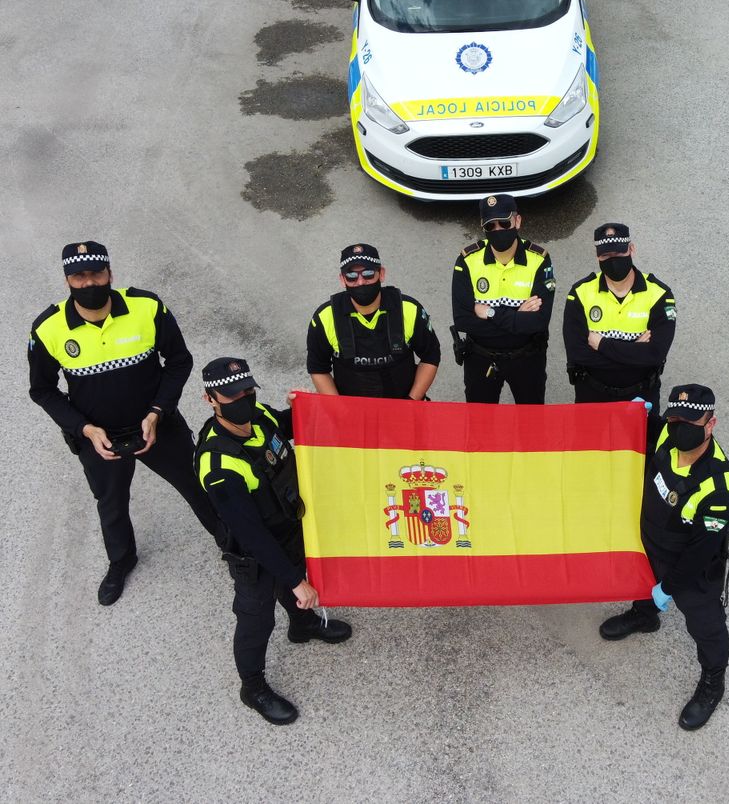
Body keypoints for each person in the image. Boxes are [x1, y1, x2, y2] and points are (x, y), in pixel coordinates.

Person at [28, 241, 225, 605]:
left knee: (198, 484)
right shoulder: (48, 328)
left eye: (96, 274)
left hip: (158, 425)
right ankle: (121, 560)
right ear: (67, 280)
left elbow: (179, 361)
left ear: (110, 273)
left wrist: (157, 411)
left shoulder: (146, 307)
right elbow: (42, 390)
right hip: (99, 438)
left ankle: (232, 543)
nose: (89, 283)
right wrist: (84, 429)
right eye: (79, 277)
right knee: (111, 504)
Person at [194, 357, 352, 724]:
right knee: (257, 619)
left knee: (294, 577)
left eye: (247, 391)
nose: (243, 400)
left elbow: (285, 425)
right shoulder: (219, 466)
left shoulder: (259, 415)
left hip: (288, 525)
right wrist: (296, 582)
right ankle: (253, 688)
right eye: (232, 395)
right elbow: (251, 535)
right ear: (210, 400)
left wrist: (302, 407)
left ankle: (302, 625)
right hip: (255, 552)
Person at [598, 384, 729, 731]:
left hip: (692, 568)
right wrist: (640, 416)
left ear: (710, 424)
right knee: (644, 585)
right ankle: (644, 616)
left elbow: (699, 553)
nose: (679, 428)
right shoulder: (667, 435)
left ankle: (713, 681)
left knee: (706, 625)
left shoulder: (720, 488)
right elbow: (653, 431)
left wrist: (669, 587)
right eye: (675, 419)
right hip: (650, 544)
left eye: (690, 422)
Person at [449, 194, 556, 404]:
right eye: (490, 226)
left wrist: (489, 313)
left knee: (530, 419)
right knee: (480, 421)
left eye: (504, 223)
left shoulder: (539, 260)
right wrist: (518, 318)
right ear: (483, 227)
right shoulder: (467, 260)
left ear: (517, 221)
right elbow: (463, 320)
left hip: (527, 359)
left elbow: (539, 321)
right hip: (480, 359)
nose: (498, 230)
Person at [562, 223, 676, 409]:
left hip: (640, 397)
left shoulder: (659, 294)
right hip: (591, 395)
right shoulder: (580, 293)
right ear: (597, 255)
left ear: (631, 249)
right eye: (606, 255)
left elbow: (655, 354)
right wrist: (634, 351)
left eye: (618, 253)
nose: (613, 260)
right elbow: (578, 354)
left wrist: (601, 345)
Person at [307, 243, 442, 400]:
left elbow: (431, 355)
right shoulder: (324, 318)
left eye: (368, 273)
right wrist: (339, 409)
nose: (360, 282)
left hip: (405, 406)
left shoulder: (410, 309)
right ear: (342, 279)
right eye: (351, 276)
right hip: (351, 411)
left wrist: (411, 401)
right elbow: (318, 368)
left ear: (381, 274)